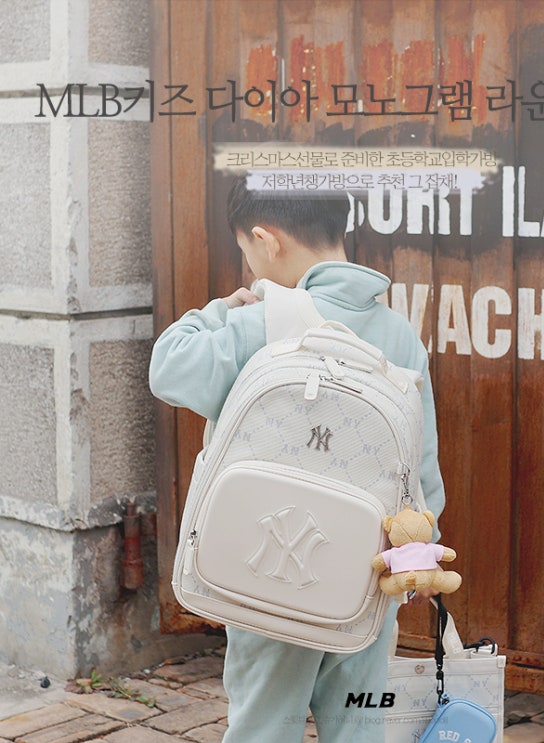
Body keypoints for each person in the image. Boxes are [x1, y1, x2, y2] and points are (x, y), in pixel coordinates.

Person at [149, 176, 446, 743]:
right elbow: (421, 465)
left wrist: (220, 309)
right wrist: (418, 556)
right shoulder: (400, 335)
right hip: (365, 580)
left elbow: (168, 366)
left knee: (264, 726)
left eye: (246, 252)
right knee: (358, 725)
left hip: (271, 574)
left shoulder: (258, 322)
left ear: (266, 240)